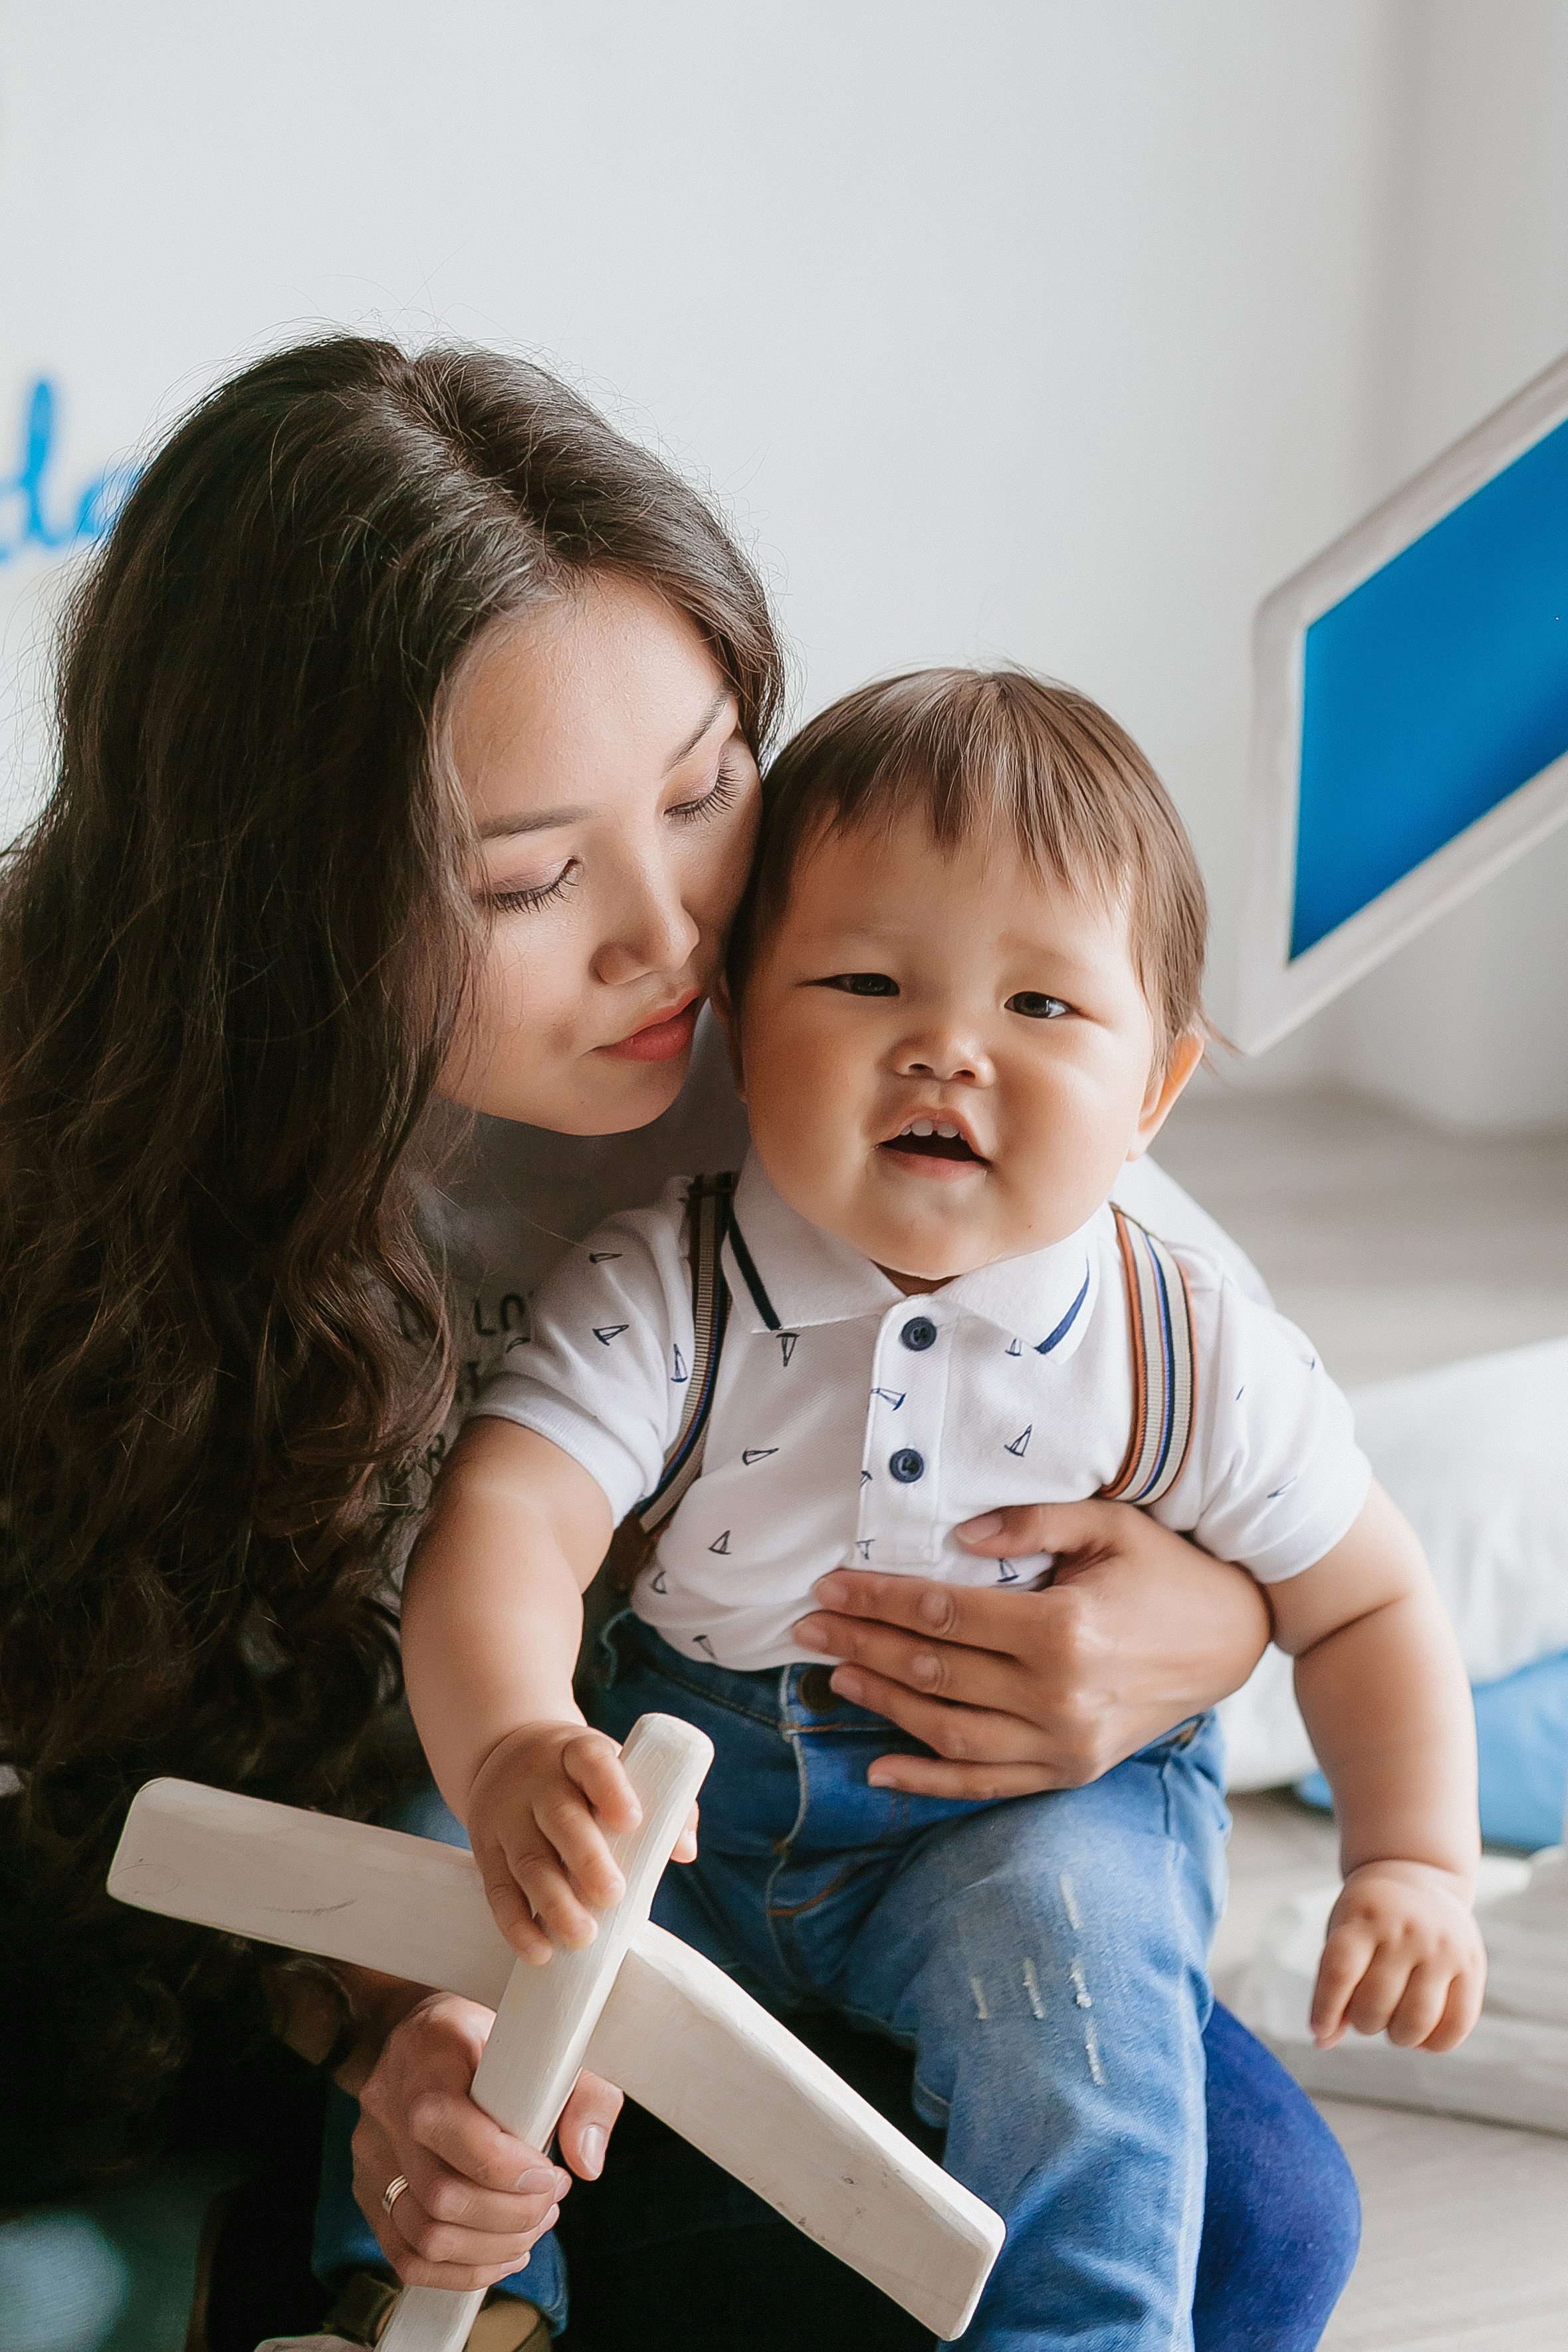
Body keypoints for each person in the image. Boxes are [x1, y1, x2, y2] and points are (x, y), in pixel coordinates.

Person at [0, 336, 1357, 2350]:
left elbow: (1223, 1410)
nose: (677, 937)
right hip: (351, 1893)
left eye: (710, 784)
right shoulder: (87, 1142)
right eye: (531, 877)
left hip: (791, 1845)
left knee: (1240, 2221)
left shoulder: (839, 1036)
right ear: (279, 909)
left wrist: (1209, 1632)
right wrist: (384, 2025)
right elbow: (125, 1790)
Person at [403, 669, 1486, 2347]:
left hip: (1014, 1823)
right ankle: (474, 2307)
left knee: (1085, 2023)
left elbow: (1367, 1597)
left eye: (1044, 1009)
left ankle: (1079, 2329)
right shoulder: (666, 1275)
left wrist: (1409, 1858)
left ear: (1157, 1090)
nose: (946, 1044)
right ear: (743, 1035)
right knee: (495, 1919)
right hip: (684, 1786)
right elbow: (514, 1523)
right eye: (861, 980)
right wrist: (513, 1742)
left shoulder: (1181, 1338)